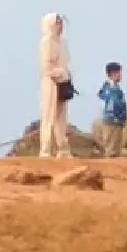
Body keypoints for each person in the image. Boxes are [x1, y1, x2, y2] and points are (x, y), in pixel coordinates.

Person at [36, 13, 73, 159]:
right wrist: (60, 72)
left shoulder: (62, 43)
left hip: (62, 82)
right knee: (48, 116)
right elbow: (46, 67)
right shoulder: (46, 42)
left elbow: (65, 62)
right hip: (50, 82)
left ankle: (62, 148)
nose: (60, 25)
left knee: (61, 117)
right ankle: (45, 149)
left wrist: (67, 75)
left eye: (61, 22)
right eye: (57, 23)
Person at [95, 63, 127, 158]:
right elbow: (113, 104)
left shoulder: (116, 88)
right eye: (119, 73)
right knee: (111, 149)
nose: (121, 75)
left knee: (117, 149)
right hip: (111, 121)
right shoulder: (109, 88)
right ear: (113, 73)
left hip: (117, 121)